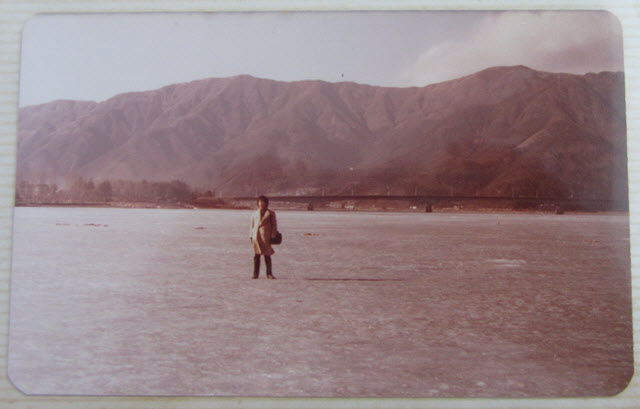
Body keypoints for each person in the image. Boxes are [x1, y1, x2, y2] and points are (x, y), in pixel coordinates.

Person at [250, 195, 277, 279]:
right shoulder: (255, 214)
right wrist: (251, 236)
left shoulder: (271, 214)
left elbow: (274, 225)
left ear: (266, 203)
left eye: (263, 202)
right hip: (257, 237)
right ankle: (255, 274)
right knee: (256, 256)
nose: (261, 204)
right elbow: (252, 226)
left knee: (267, 256)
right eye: (259, 202)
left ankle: (269, 274)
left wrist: (273, 235)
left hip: (266, 237)